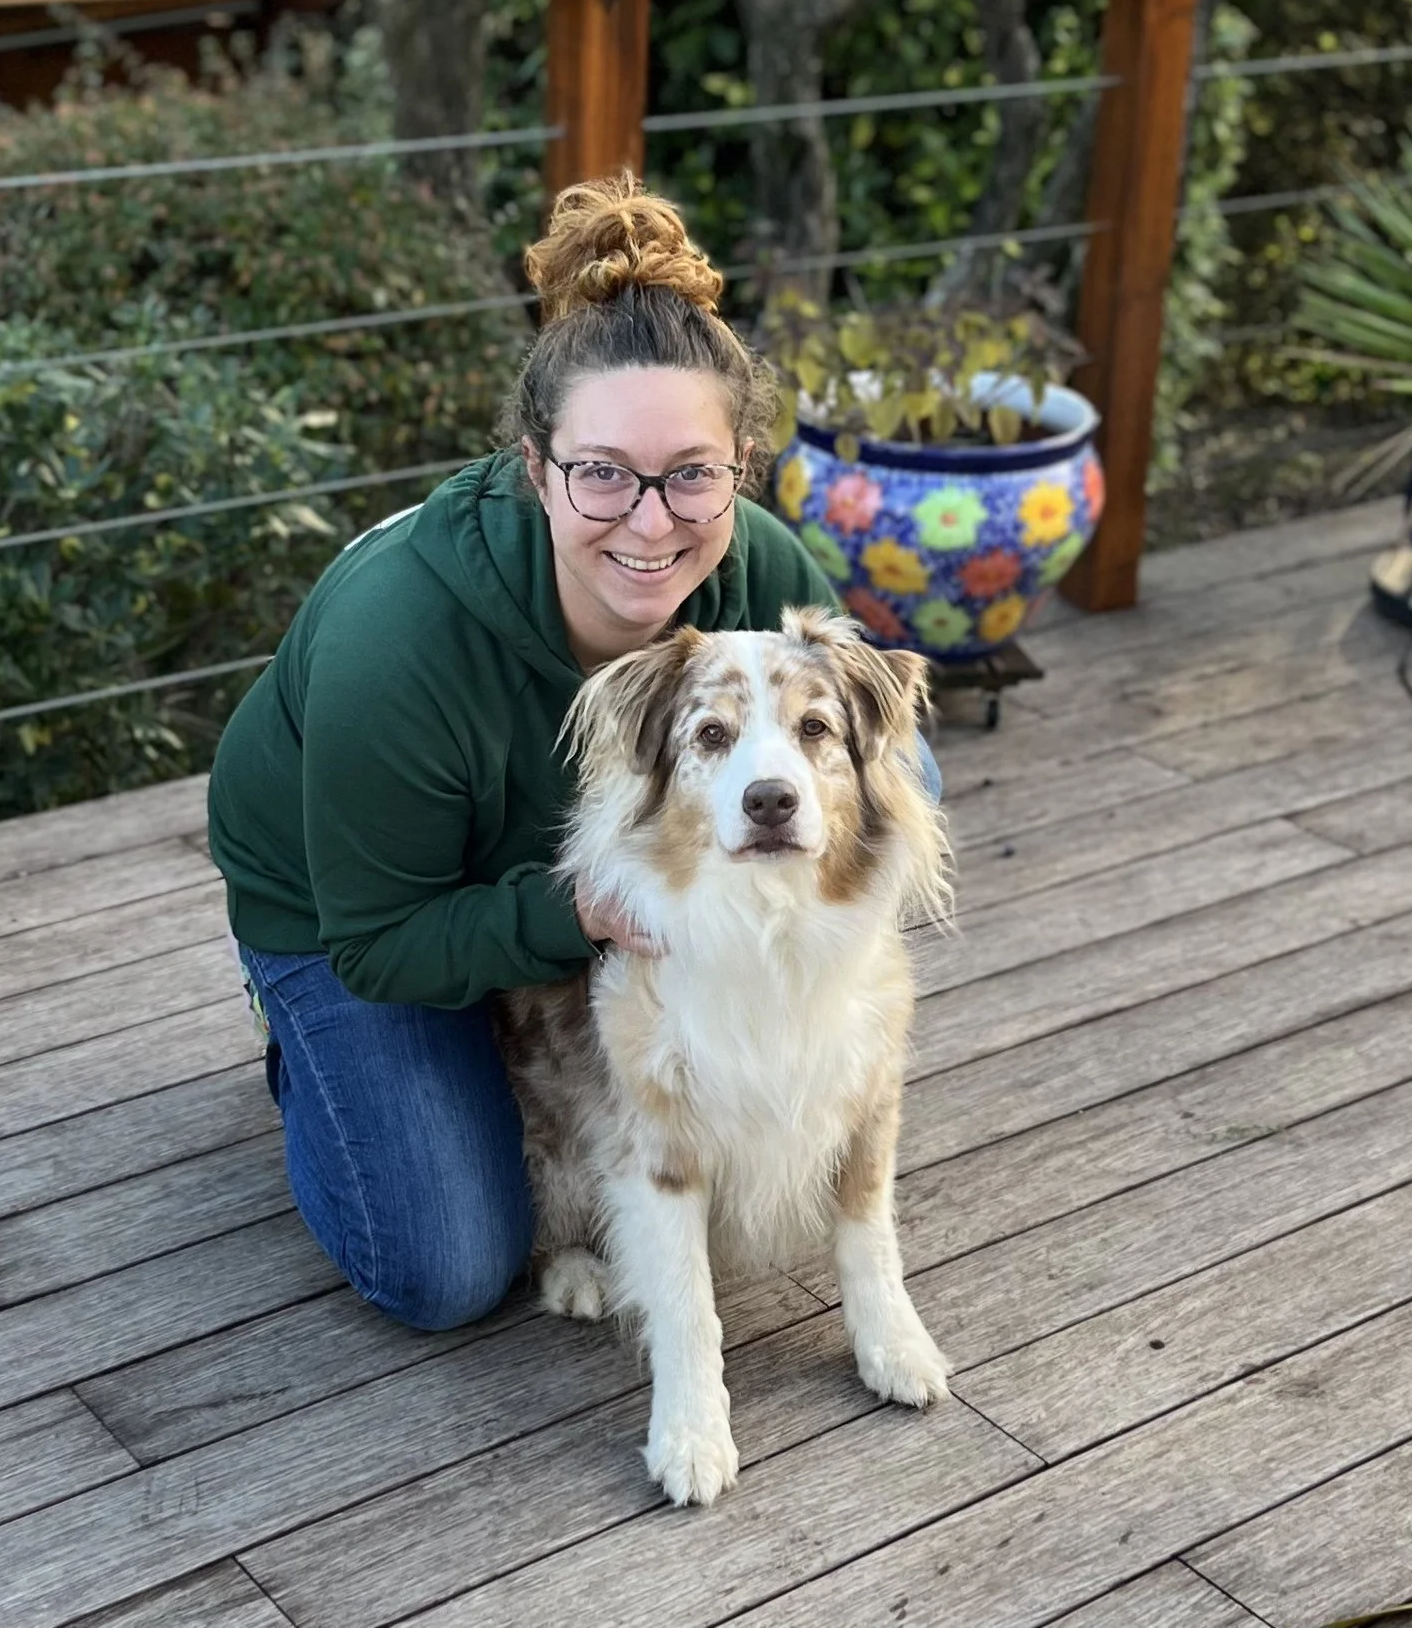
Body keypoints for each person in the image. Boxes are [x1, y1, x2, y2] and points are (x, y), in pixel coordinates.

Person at [206, 173, 932, 1330]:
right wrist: (583, 914)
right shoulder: (395, 643)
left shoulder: (764, 567)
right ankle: (300, 1041)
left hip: (595, 869)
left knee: (901, 771)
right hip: (368, 914)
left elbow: (865, 789)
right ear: (535, 467)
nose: (652, 522)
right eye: (602, 472)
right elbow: (381, 936)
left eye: (691, 474)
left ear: (739, 467)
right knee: (444, 1268)